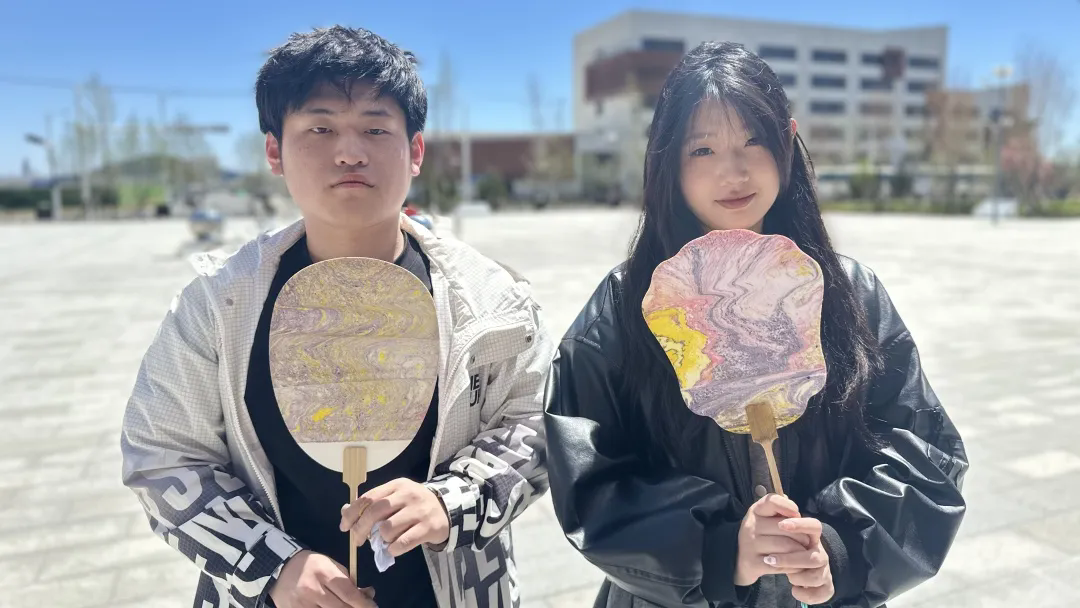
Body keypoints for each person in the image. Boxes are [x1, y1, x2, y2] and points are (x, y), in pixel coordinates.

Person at [121, 26, 554, 608]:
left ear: (415, 152)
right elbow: (164, 454)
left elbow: (537, 421)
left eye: (376, 129)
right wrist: (272, 566)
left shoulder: (492, 301)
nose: (350, 152)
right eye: (320, 128)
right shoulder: (219, 304)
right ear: (274, 152)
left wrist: (451, 500)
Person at [543, 41, 967, 608]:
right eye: (702, 149)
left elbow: (926, 455)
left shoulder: (849, 292)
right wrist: (720, 552)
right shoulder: (625, 307)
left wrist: (841, 549)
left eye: (754, 140)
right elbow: (589, 479)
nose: (734, 171)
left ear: (787, 141)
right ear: (666, 161)